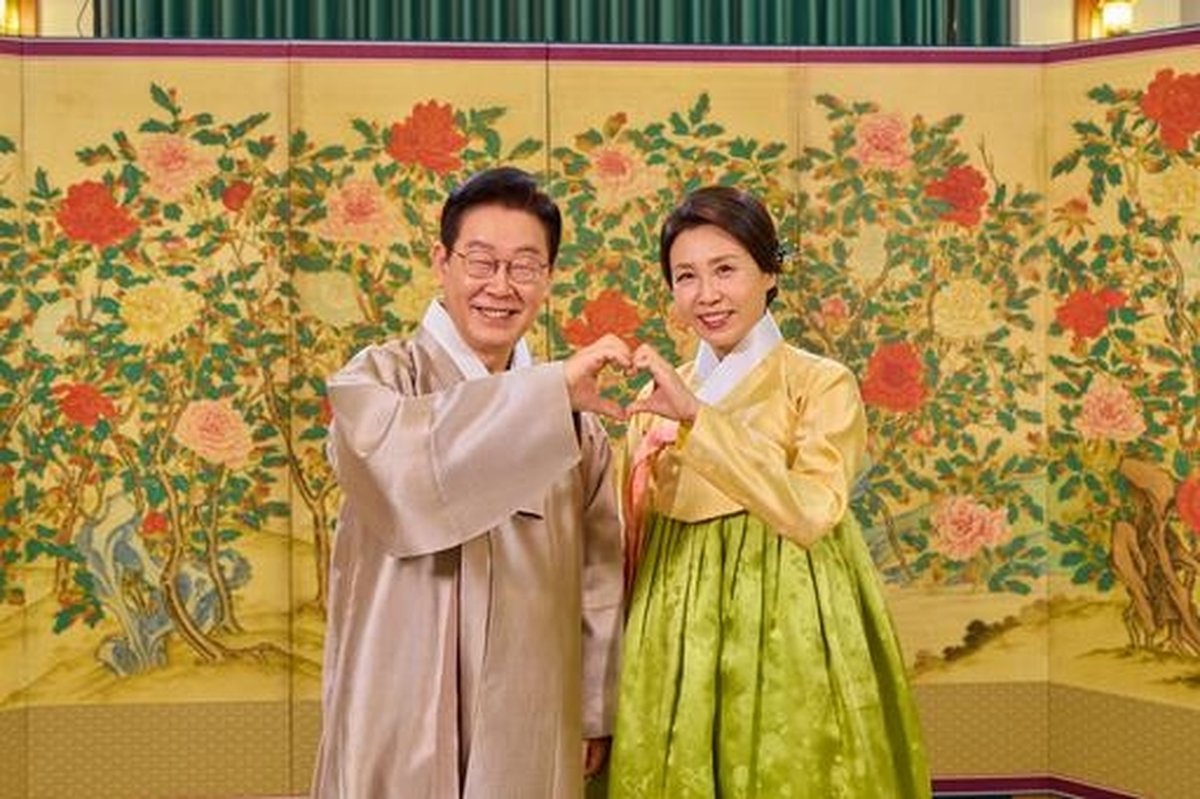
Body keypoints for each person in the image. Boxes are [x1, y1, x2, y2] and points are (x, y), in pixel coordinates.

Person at [312, 167, 626, 798]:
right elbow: (398, 478)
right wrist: (546, 397)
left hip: (531, 703)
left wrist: (595, 708)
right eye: (480, 262)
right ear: (442, 262)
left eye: (525, 267)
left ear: (548, 278)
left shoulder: (576, 424)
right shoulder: (378, 382)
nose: (500, 287)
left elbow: (599, 574)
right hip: (397, 697)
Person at [607, 186, 930, 798]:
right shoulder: (659, 394)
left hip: (789, 616)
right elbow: (628, 526)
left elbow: (812, 509)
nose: (706, 294)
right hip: (674, 622)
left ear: (769, 271)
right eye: (686, 276)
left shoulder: (819, 383)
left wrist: (697, 419)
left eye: (725, 269)